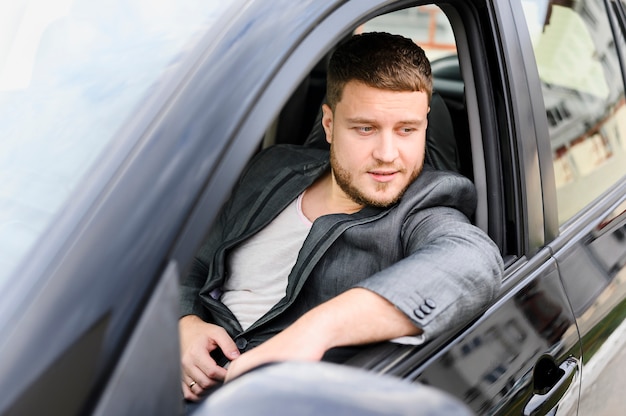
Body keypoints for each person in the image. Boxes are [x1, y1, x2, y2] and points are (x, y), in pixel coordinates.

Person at [179, 32, 503, 402]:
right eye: (365, 128)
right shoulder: (274, 166)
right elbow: (195, 260)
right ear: (329, 125)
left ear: (425, 124)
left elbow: (471, 261)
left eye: (407, 130)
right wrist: (185, 324)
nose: (387, 154)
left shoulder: (425, 206)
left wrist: (317, 330)